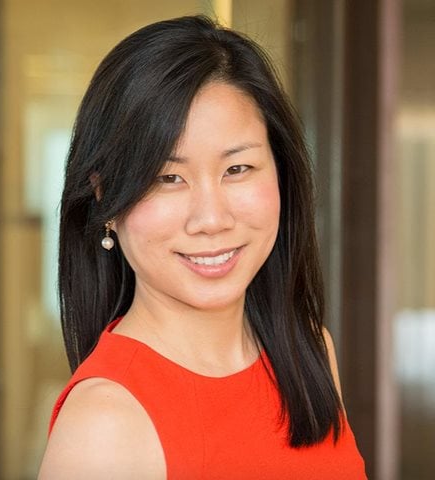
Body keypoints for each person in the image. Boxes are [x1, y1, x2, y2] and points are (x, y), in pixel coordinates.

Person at [38, 15, 367, 479]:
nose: (211, 220)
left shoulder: (308, 352)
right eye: (167, 178)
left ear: (281, 172)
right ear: (105, 197)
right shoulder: (104, 425)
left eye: (237, 169)